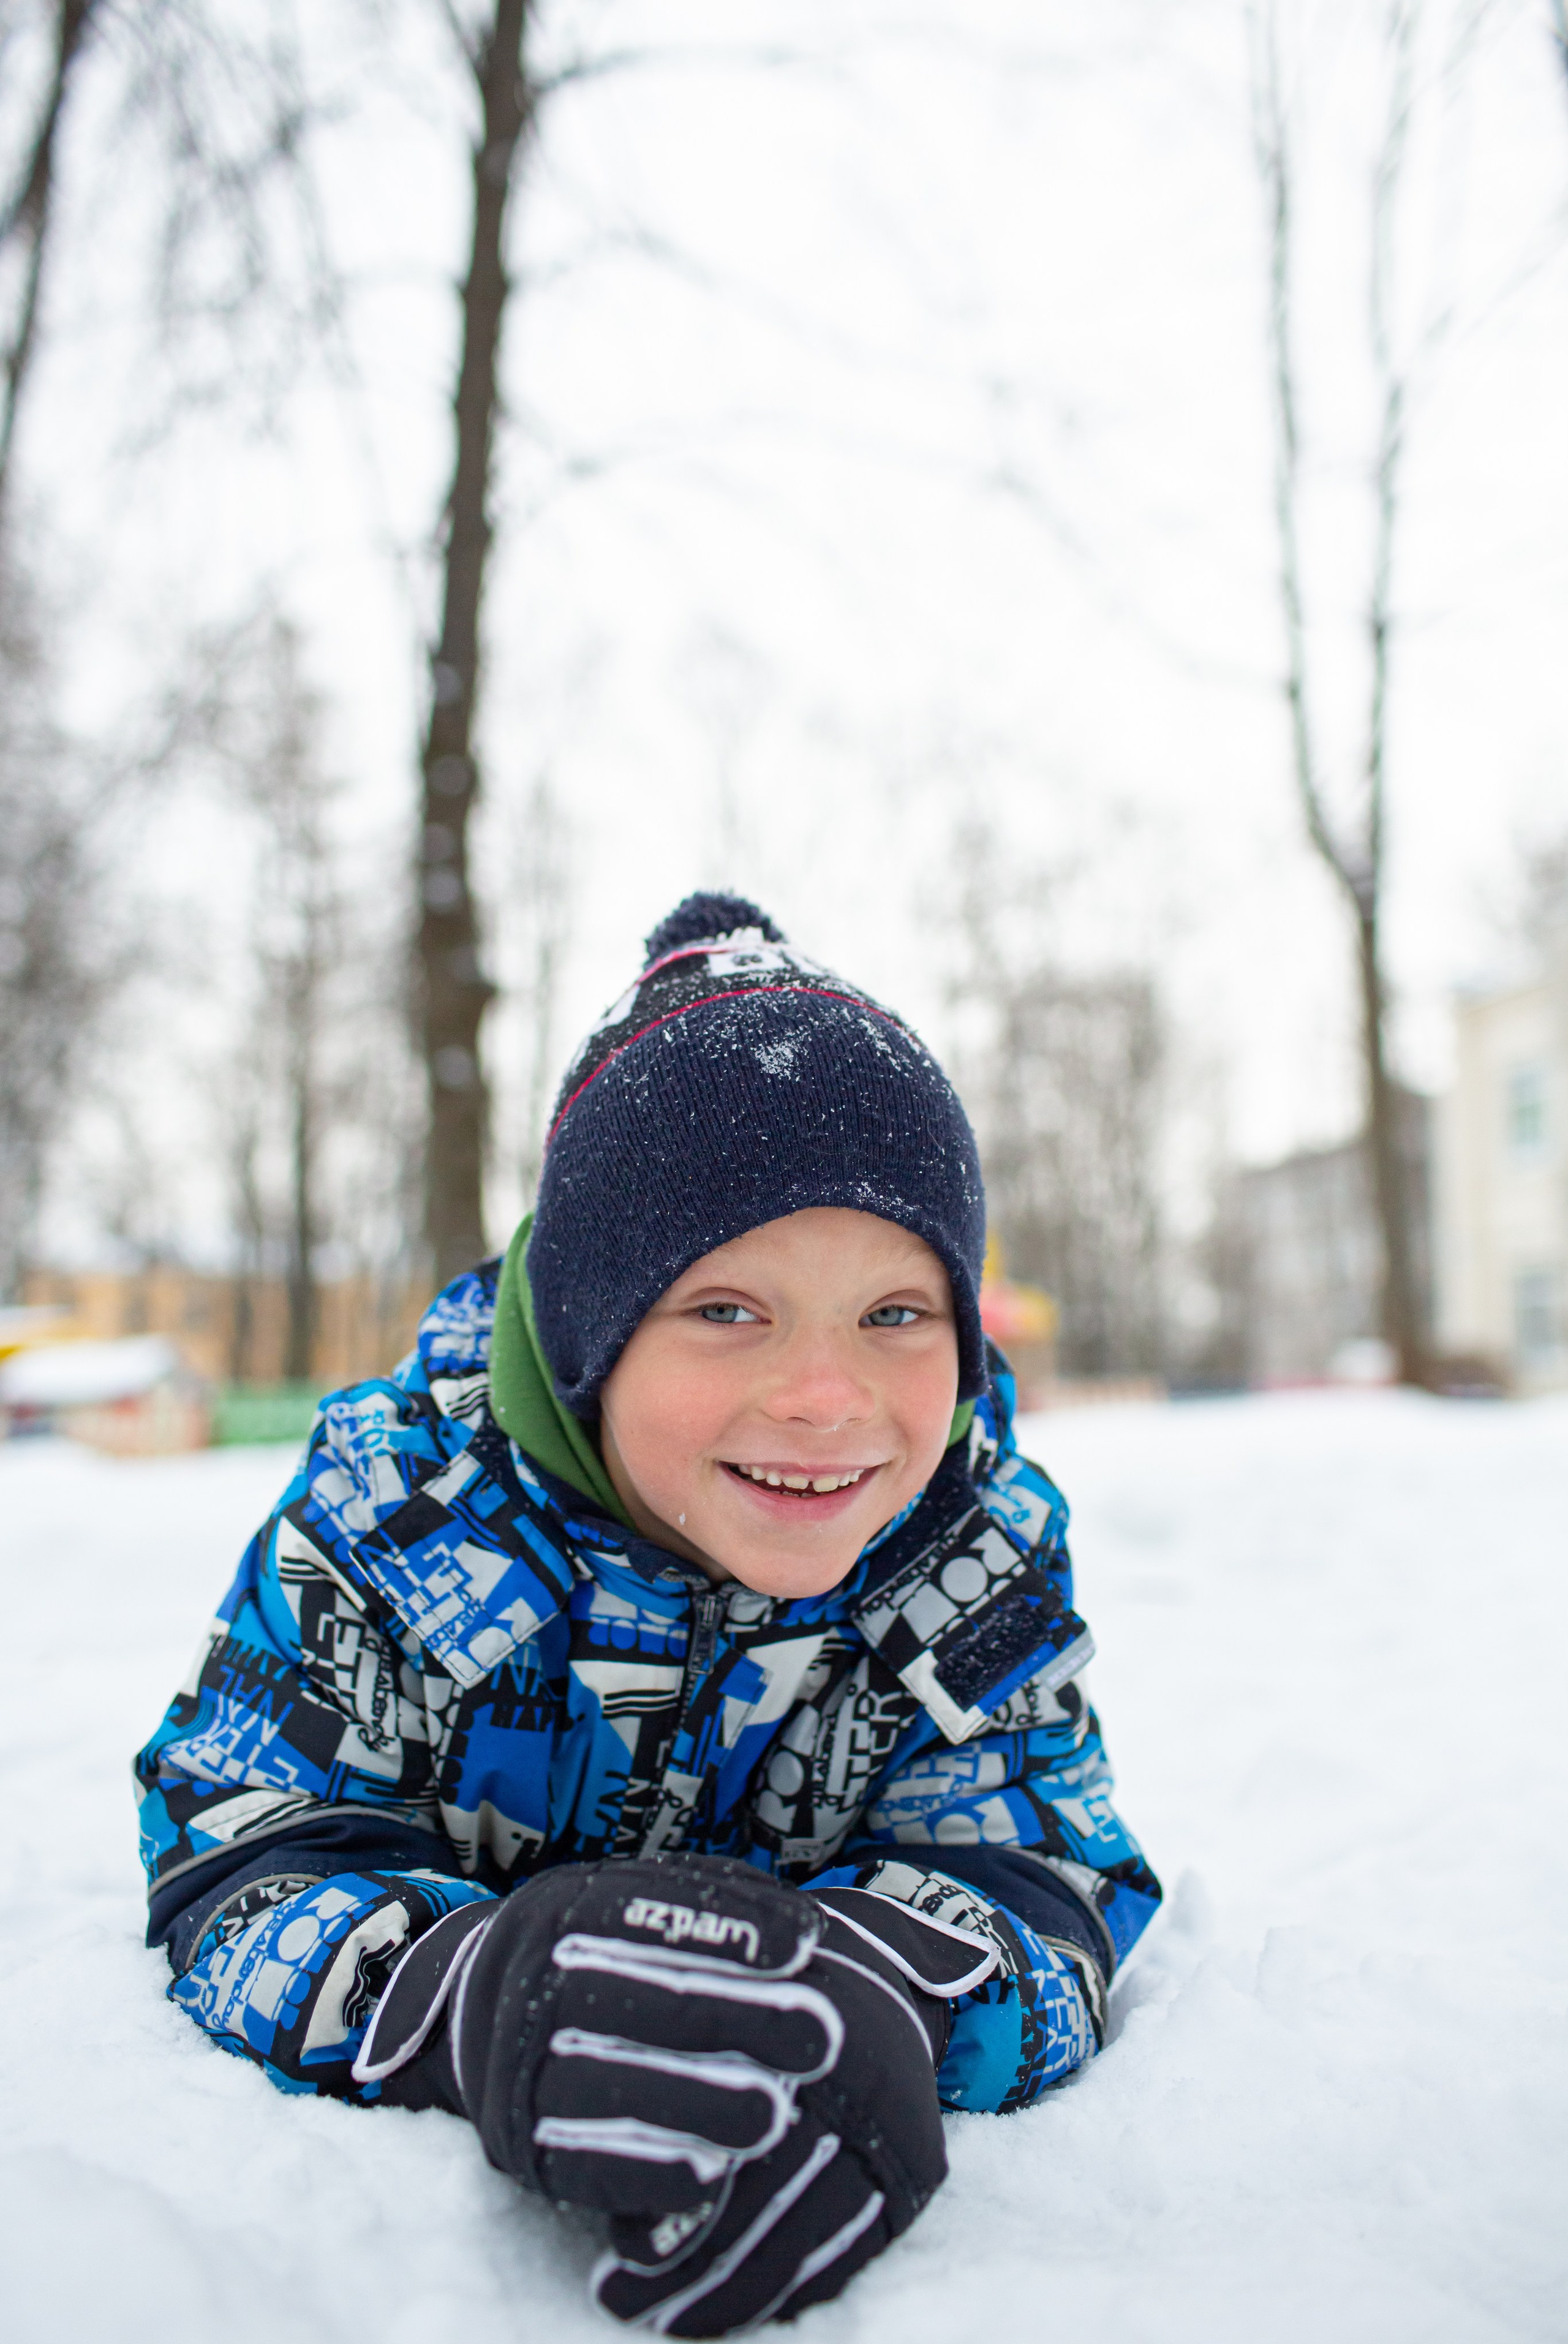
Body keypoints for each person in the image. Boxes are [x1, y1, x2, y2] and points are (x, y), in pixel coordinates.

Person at [135, 892, 1160, 2336]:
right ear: (588, 1333)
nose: (825, 1398)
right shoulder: (397, 1514)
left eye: (894, 1315)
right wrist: (460, 1995)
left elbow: (1038, 1872)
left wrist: (881, 1996)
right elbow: (240, 1847)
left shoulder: (972, 1548)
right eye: (727, 1311)